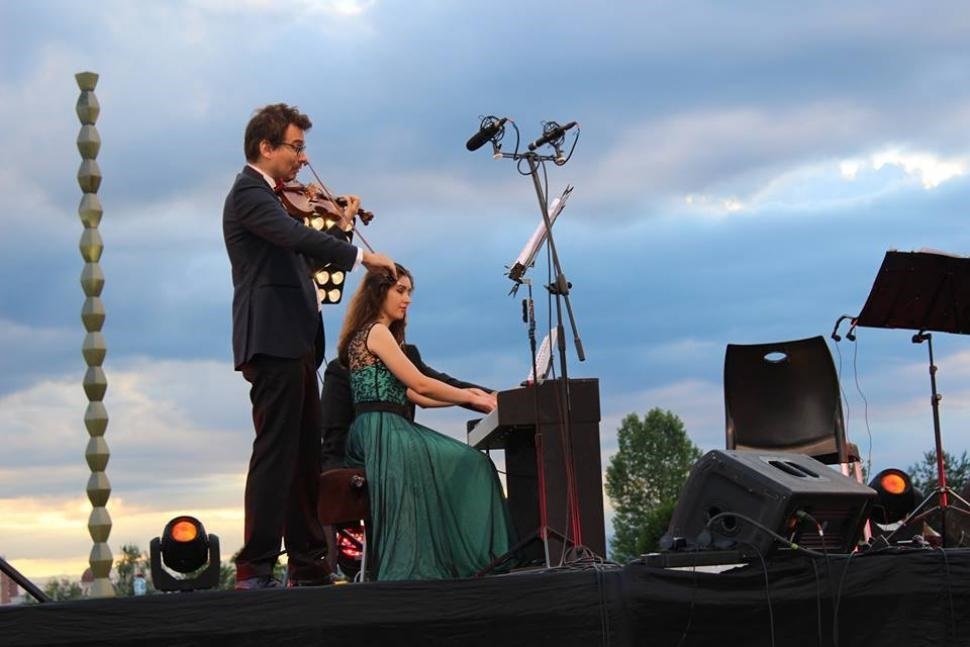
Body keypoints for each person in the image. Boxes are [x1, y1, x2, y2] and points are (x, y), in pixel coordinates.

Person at [223, 103, 396, 590]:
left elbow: (309, 252)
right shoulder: (249, 195)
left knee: (304, 456)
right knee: (276, 452)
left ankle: (308, 563)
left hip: (296, 341)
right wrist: (361, 252)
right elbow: (292, 234)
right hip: (272, 339)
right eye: (296, 147)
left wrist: (341, 223)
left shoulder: (278, 197)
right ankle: (254, 567)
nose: (304, 158)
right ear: (266, 147)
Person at [337, 264, 513, 580]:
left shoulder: (371, 334)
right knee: (475, 464)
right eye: (400, 291)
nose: (407, 300)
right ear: (380, 293)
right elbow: (420, 384)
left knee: (468, 463)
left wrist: (465, 392)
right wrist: (468, 398)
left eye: (409, 292)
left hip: (377, 429)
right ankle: (484, 559)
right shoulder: (376, 332)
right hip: (383, 430)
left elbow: (415, 396)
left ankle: (468, 556)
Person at [319, 346, 495, 470]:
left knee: (472, 462)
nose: (407, 301)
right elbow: (422, 389)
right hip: (359, 460)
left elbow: (436, 389)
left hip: (397, 453)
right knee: (470, 463)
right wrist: (470, 396)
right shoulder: (343, 367)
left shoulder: (407, 356)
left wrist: (494, 397)